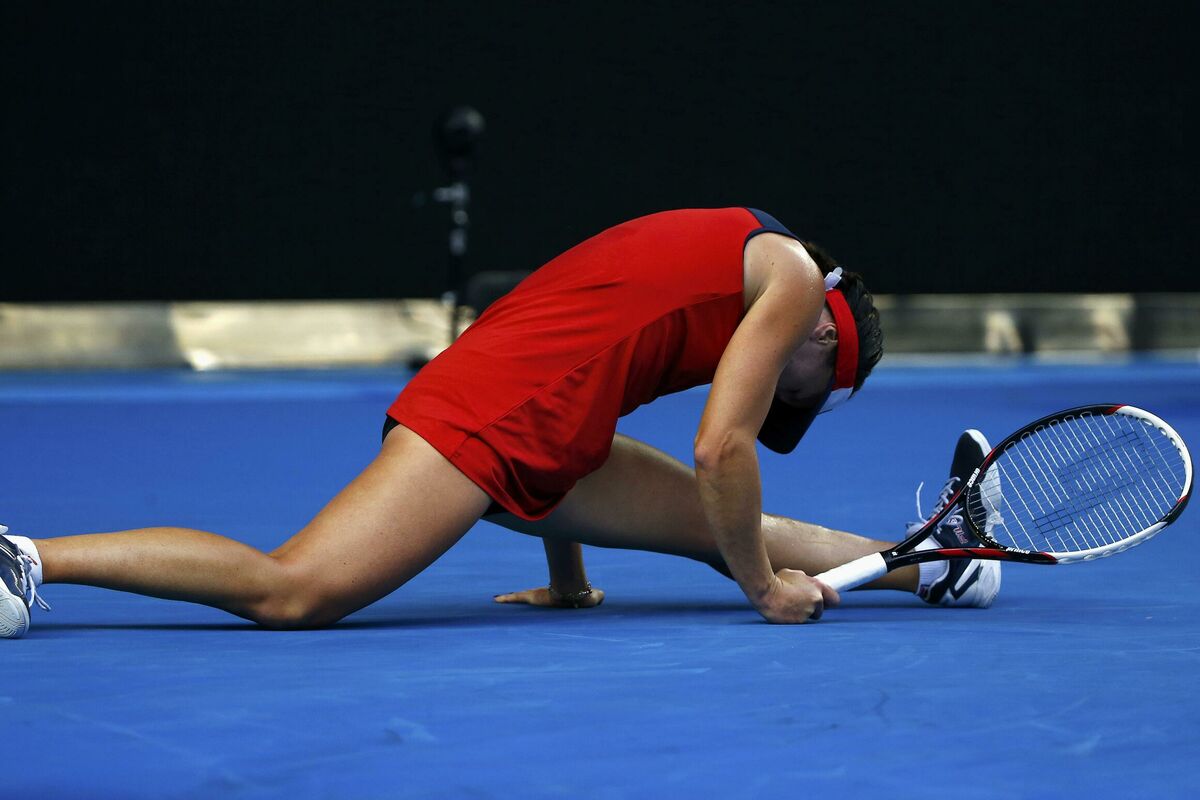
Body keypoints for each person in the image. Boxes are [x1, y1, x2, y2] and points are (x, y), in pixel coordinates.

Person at [0, 208, 999, 639]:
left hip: (528, 408)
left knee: (729, 526)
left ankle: (943, 561)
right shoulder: (792, 281)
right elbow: (721, 446)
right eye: (807, 387)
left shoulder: (733, 251)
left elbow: (585, 369)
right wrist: (763, 590)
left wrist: (568, 574)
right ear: (827, 333)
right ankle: (27, 558)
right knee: (294, 590)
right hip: (493, 411)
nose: (791, 393)